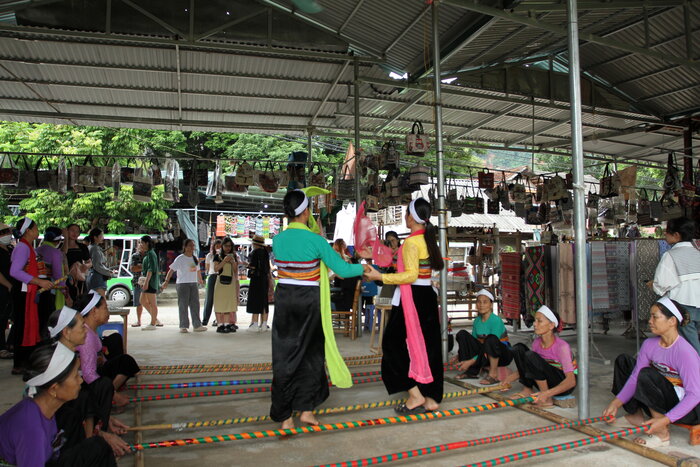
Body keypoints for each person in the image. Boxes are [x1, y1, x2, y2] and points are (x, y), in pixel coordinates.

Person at [271, 190, 366, 430]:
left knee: (284, 357)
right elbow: (343, 270)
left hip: (284, 301)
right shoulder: (316, 241)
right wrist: (365, 269)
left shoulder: (278, 239)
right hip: (308, 301)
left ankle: (284, 416)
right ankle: (306, 410)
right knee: (311, 355)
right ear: (305, 212)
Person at [363, 198, 445, 413]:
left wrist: (380, 276)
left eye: (407, 213)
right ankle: (433, 397)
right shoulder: (427, 239)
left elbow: (409, 275)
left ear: (411, 217)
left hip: (413, 297)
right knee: (429, 346)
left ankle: (415, 394)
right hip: (426, 295)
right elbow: (405, 265)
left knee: (392, 344)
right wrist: (377, 257)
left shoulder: (411, 242)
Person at [604, 297, 700, 447]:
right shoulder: (649, 344)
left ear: (672, 321)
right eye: (650, 316)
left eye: (655, 317)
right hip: (664, 398)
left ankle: (662, 434)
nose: (649, 320)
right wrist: (615, 404)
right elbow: (635, 377)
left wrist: (665, 420)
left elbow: (695, 395)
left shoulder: (685, 352)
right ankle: (636, 416)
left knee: (646, 374)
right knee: (624, 362)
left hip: (690, 410)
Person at [0, 344, 117, 466]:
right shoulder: (33, 430)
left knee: (97, 447)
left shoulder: (43, 410)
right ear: (53, 389)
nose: (81, 380)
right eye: (75, 376)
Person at [47, 306, 130, 457]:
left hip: (68, 413)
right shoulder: (56, 361)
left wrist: (105, 420)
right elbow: (64, 410)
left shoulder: (68, 355)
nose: (86, 330)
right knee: (92, 390)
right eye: (81, 326)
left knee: (89, 392)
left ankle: (94, 434)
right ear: (66, 332)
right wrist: (100, 434)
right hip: (55, 427)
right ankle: (90, 441)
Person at [502, 305, 577, 408]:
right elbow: (532, 366)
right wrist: (509, 379)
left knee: (530, 355)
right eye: (535, 320)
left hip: (563, 384)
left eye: (539, 321)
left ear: (551, 325)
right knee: (519, 348)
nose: (534, 324)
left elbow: (571, 381)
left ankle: (546, 399)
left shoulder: (562, 347)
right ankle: (527, 389)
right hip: (549, 380)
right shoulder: (537, 343)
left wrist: (546, 393)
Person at [76, 291, 139, 408]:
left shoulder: (90, 330)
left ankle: (108, 392)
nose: (108, 312)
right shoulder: (86, 336)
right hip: (84, 383)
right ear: (94, 311)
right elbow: (88, 375)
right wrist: (113, 395)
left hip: (94, 371)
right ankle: (107, 396)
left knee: (115, 340)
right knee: (126, 361)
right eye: (105, 308)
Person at [10, 217, 55, 374]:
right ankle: (20, 363)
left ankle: (25, 361)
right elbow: (15, 271)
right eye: (35, 228)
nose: (37, 230)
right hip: (23, 291)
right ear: (28, 231)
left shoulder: (27, 246)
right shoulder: (22, 247)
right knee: (23, 326)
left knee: (28, 325)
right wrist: (39, 281)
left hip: (28, 290)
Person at [650, 217, 700, 354]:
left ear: (677, 235)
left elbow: (661, 284)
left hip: (683, 305)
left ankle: (695, 372)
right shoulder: (698, 253)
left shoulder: (670, 256)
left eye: (667, 232)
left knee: (690, 345)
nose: (665, 234)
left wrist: (653, 285)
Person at [450, 289, 512, 385]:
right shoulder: (477, 321)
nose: (481, 305)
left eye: (485, 302)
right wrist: (459, 355)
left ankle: (493, 375)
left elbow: (492, 344)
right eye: (479, 302)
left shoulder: (496, 320)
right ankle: (471, 372)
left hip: (501, 355)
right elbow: (474, 343)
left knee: (491, 339)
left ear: (491, 305)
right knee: (462, 334)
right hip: (484, 354)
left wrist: (471, 361)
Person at [162, 239, 207, 333]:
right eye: (189, 245)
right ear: (185, 247)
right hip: (182, 284)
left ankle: (197, 325)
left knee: (195, 305)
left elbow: (197, 270)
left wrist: (200, 279)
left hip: (193, 284)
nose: (191, 247)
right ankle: (183, 326)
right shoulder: (180, 258)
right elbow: (171, 270)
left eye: (193, 246)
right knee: (183, 305)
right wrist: (166, 281)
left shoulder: (194, 258)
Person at [36, 226, 71, 309]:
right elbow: (58, 275)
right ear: (58, 241)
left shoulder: (36, 250)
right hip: (51, 291)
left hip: (37, 288)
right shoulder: (55, 253)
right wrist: (66, 294)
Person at [213, 237, 238, 333]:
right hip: (220, 283)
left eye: (230, 246)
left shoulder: (233, 256)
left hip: (230, 283)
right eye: (226, 246)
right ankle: (220, 325)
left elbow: (235, 271)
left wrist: (232, 262)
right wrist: (224, 261)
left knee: (228, 303)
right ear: (222, 246)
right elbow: (216, 269)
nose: (228, 248)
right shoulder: (217, 256)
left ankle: (227, 324)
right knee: (219, 303)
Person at [246, 235, 270, 332]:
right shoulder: (265, 253)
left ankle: (254, 324)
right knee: (264, 301)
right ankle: (264, 324)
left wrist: (248, 266)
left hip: (256, 279)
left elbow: (253, 267)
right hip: (264, 279)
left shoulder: (254, 253)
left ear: (255, 244)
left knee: (255, 300)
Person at [63, 224, 91, 303]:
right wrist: (65, 239)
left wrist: (85, 266)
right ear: (66, 231)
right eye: (72, 230)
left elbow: (89, 262)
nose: (74, 233)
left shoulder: (82, 247)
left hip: (79, 279)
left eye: (77, 231)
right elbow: (63, 253)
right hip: (65, 280)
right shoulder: (61, 246)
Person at [0, 223, 16, 360]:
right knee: (1, 318)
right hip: (3, 289)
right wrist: (8, 285)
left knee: (8, 317)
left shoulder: (10, 248)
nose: (7, 235)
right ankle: (1, 348)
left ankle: (9, 344)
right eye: (3, 233)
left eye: (7, 232)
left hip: (12, 288)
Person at [86, 228, 114, 299]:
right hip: (96, 277)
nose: (103, 238)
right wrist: (109, 273)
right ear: (95, 237)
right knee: (101, 301)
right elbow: (97, 266)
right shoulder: (95, 248)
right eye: (101, 236)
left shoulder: (91, 247)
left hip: (92, 275)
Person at [139, 235, 160, 331]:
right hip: (147, 281)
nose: (140, 245)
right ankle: (154, 319)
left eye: (142, 243)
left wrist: (147, 282)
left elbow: (151, 269)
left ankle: (153, 322)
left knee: (152, 303)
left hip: (151, 281)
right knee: (142, 301)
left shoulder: (151, 254)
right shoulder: (148, 254)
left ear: (147, 243)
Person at [202, 239, 222, 326]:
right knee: (209, 299)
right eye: (216, 246)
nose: (218, 248)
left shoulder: (223, 256)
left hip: (220, 277)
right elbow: (207, 267)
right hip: (212, 276)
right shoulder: (209, 255)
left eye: (220, 246)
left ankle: (218, 320)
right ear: (214, 247)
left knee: (219, 299)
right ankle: (205, 319)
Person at [129, 243, 144, 327]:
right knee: (138, 303)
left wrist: (139, 267)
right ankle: (139, 320)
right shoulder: (135, 256)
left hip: (147, 281)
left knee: (149, 302)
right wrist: (144, 267)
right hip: (137, 282)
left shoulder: (149, 255)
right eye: (140, 245)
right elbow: (133, 268)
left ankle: (154, 320)